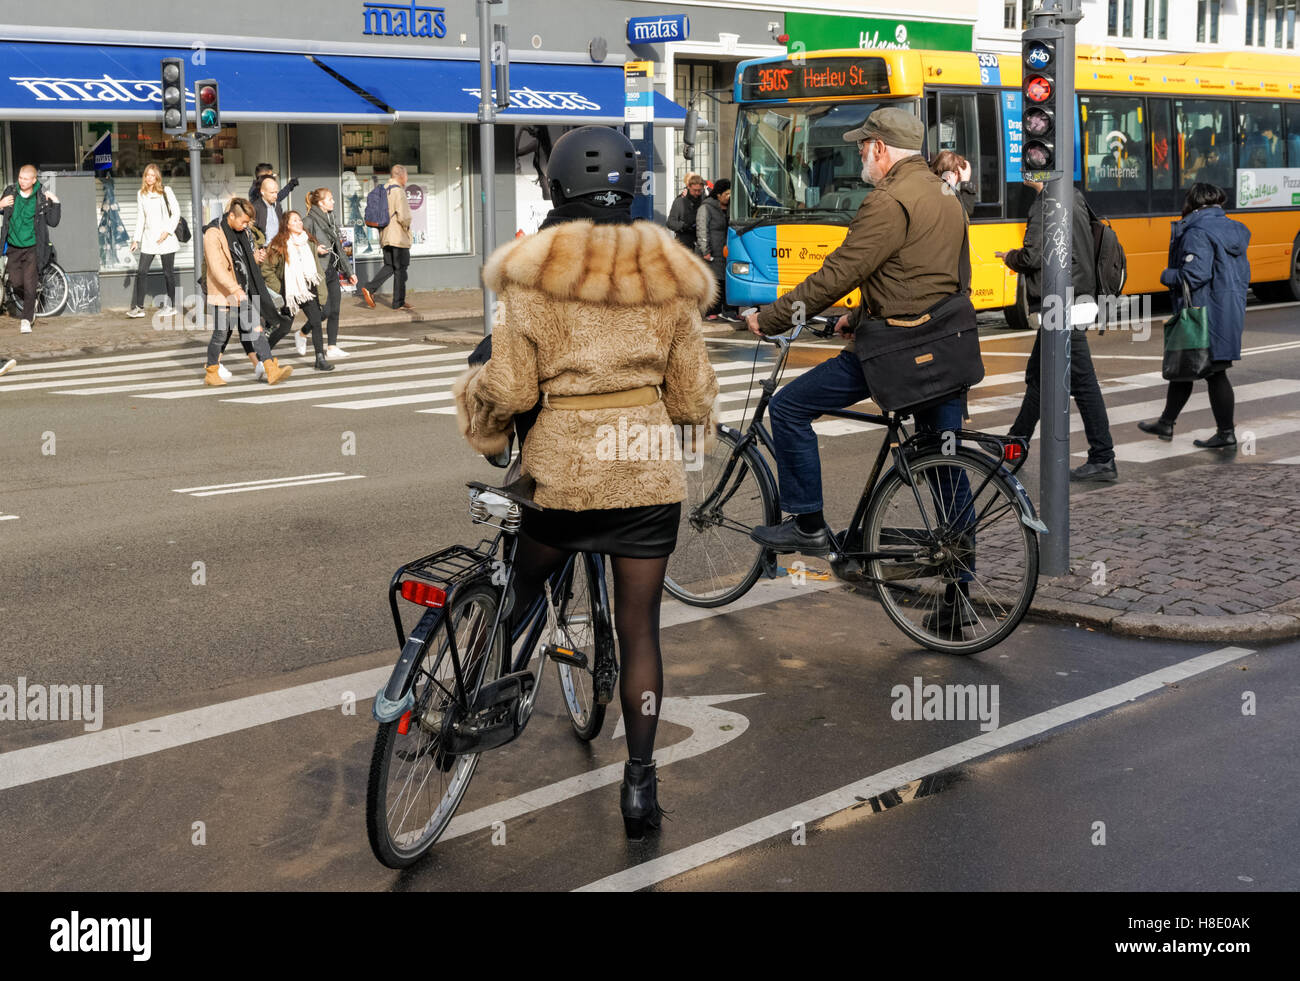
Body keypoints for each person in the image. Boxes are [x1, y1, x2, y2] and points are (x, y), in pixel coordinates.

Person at [453, 126, 718, 840]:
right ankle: (639, 789)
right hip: (645, 478)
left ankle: (477, 686)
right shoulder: (668, 276)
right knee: (641, 633)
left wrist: (478, 395)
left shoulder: (534, 276)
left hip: (563, 477)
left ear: (558, 190)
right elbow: (693, 399)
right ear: (631, 190)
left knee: (522, 584)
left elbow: (508, 387)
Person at [743, 107, 977, 631]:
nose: (859, 156)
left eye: (862, 146)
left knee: (789, 407)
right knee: (945, 466)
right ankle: (959, 598)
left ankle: (806, 524)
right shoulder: (945, 196)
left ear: (879, 149)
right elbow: (942, 277)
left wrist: (773, 317)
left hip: (896, 351)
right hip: (947, 345)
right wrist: (861, 313)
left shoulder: (888, 201)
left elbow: (838, 272)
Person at [998, 178, 1118, 483]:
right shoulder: (1073, 196)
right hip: (1079, 297)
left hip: (1063, 304)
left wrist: (1010, 257)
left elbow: (1034, 255)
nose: (1024, 169)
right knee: (1041, 376)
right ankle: (1015, 442)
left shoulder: (1044, 204)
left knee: (1083, 382)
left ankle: (1103, 457)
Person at [1137, 183, 1249, 449]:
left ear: (1193, 203)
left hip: (1204, 312)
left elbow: (1194, 274)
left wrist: (1167, 275)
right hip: (1226, 310)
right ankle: (1167, 422)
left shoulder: (1197, 232)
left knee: (1213, 372)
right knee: (1186, 367)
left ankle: (1226, 433)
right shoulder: (1234, 229)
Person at [201, 197, 292, 387]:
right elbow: (217, 268)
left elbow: (242, 261)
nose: (246, 226)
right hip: (224, 292)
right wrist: (235, 289)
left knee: (256, 329)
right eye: (243, 221)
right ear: (231, 216)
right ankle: (211, 371)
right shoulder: (213, 233)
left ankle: (270, 369)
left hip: (244, 289)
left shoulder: (241, 232)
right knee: (221, 333)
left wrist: (255, 258)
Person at [260, 210, 334, 372]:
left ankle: (319, 358)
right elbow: (267, 270)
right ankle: (263, 353)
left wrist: (321, 291)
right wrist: (279, 288)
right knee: (284, 327)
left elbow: (316, 269)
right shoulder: (278, 245)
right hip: (290, 292)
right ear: (286, 225)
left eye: (300, 220)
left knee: (315, 322)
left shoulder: (309, 242)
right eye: (294, 221)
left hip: (308, 290)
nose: (299, 223)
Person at [0, 164, 61, 334]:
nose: (22, 181)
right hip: (13, 246)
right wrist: (0, 204)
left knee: (29, 283)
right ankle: (31, 298)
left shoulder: (40, 198)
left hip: (33, 247)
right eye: (20, 177)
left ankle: (26, 319)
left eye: (26, 179)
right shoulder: (10, 192)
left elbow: (53, 222)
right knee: (16, 282)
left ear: (34, 180)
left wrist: (55, 202)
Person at [304, 188, 358, 360]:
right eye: (330, 199)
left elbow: (339, 248)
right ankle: (303, 332)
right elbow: (299, 244)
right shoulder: (309, 221)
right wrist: (315, 248)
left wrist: (349, 271)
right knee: (325, 310)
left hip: (332, 270)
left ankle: (332, 346)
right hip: (318, 270)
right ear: (320, 203)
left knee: (335, 310)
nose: (333, 202)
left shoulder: (331, 220)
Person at [127, 163, 181, 318]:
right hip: (149, 238)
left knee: (168, 273)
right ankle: (139, 308)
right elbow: (141, 218)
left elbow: (176, 212)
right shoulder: (141, 194)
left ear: (157, 176)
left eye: (152, 175)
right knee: (142, 271)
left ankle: (171, 306)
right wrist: (136, 239)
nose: (149, 178)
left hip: (166, 238)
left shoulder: (166, 191)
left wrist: (167, 232)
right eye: (147, 175)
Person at [359, 164, 413, 311]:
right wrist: (408, 228)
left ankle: (370, 288)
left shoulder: (384, 189)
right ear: (401, 175)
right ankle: (398, 302)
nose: (407, 178)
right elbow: (404, 216)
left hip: (385, 236)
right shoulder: (398, 191)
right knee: (401, 268)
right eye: (406, 175)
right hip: (398, 237)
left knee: (390, 266)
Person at [696, 177, 731, 319]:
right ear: (718, 194)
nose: (729, 197)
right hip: (712, 252)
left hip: (725, 251)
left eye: (730, 194)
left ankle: (728, 310)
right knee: (714, 281)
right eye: (726, 194)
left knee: (726, 280)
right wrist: (706, 250)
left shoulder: (731, 209)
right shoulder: (706, 208)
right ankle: (712, 311)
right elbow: (702, 229)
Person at [930, 150, 976, 218]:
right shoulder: (945, 193)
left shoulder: (929, 185)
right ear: (954, 174)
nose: (957, 182)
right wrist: (965, 182)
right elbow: (965, 213)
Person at [666, 173, 705, 251]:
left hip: (700, 243)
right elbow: (670, 222)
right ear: (688, 187)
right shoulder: (679, 201)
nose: (697, 193)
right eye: (695, 190)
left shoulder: (705, 202)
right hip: (683, 243)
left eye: (699, 190)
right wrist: (683, 226)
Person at [253, 177, 286, 241]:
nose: (275, 196)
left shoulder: (278, 206)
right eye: (272, 193)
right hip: (263, 247)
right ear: (262, 192)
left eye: (276, 192)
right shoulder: (256, 207)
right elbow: (253, 230)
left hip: (278, 245)